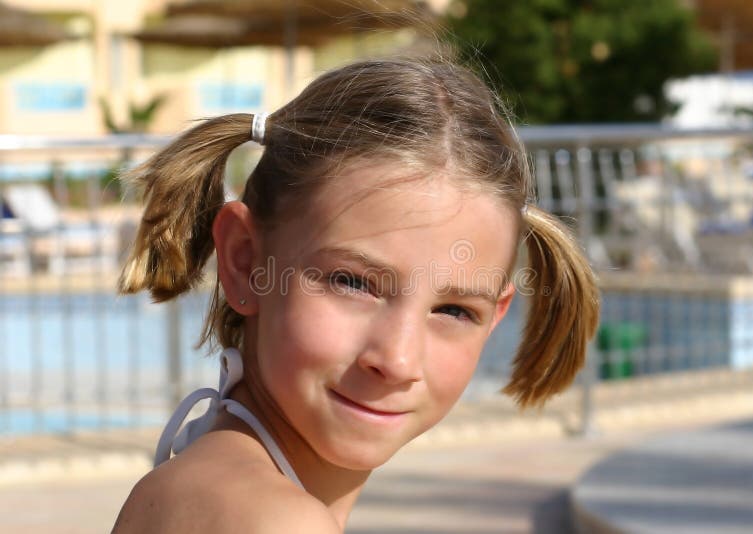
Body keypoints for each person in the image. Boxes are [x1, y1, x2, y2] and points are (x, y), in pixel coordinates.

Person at [111, 56, 599, 533]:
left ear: (495, 317)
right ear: (245, 262)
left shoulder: (193, 482)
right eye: (352, 282)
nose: (398, 359)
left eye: (453, 310)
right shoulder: (277, 521)